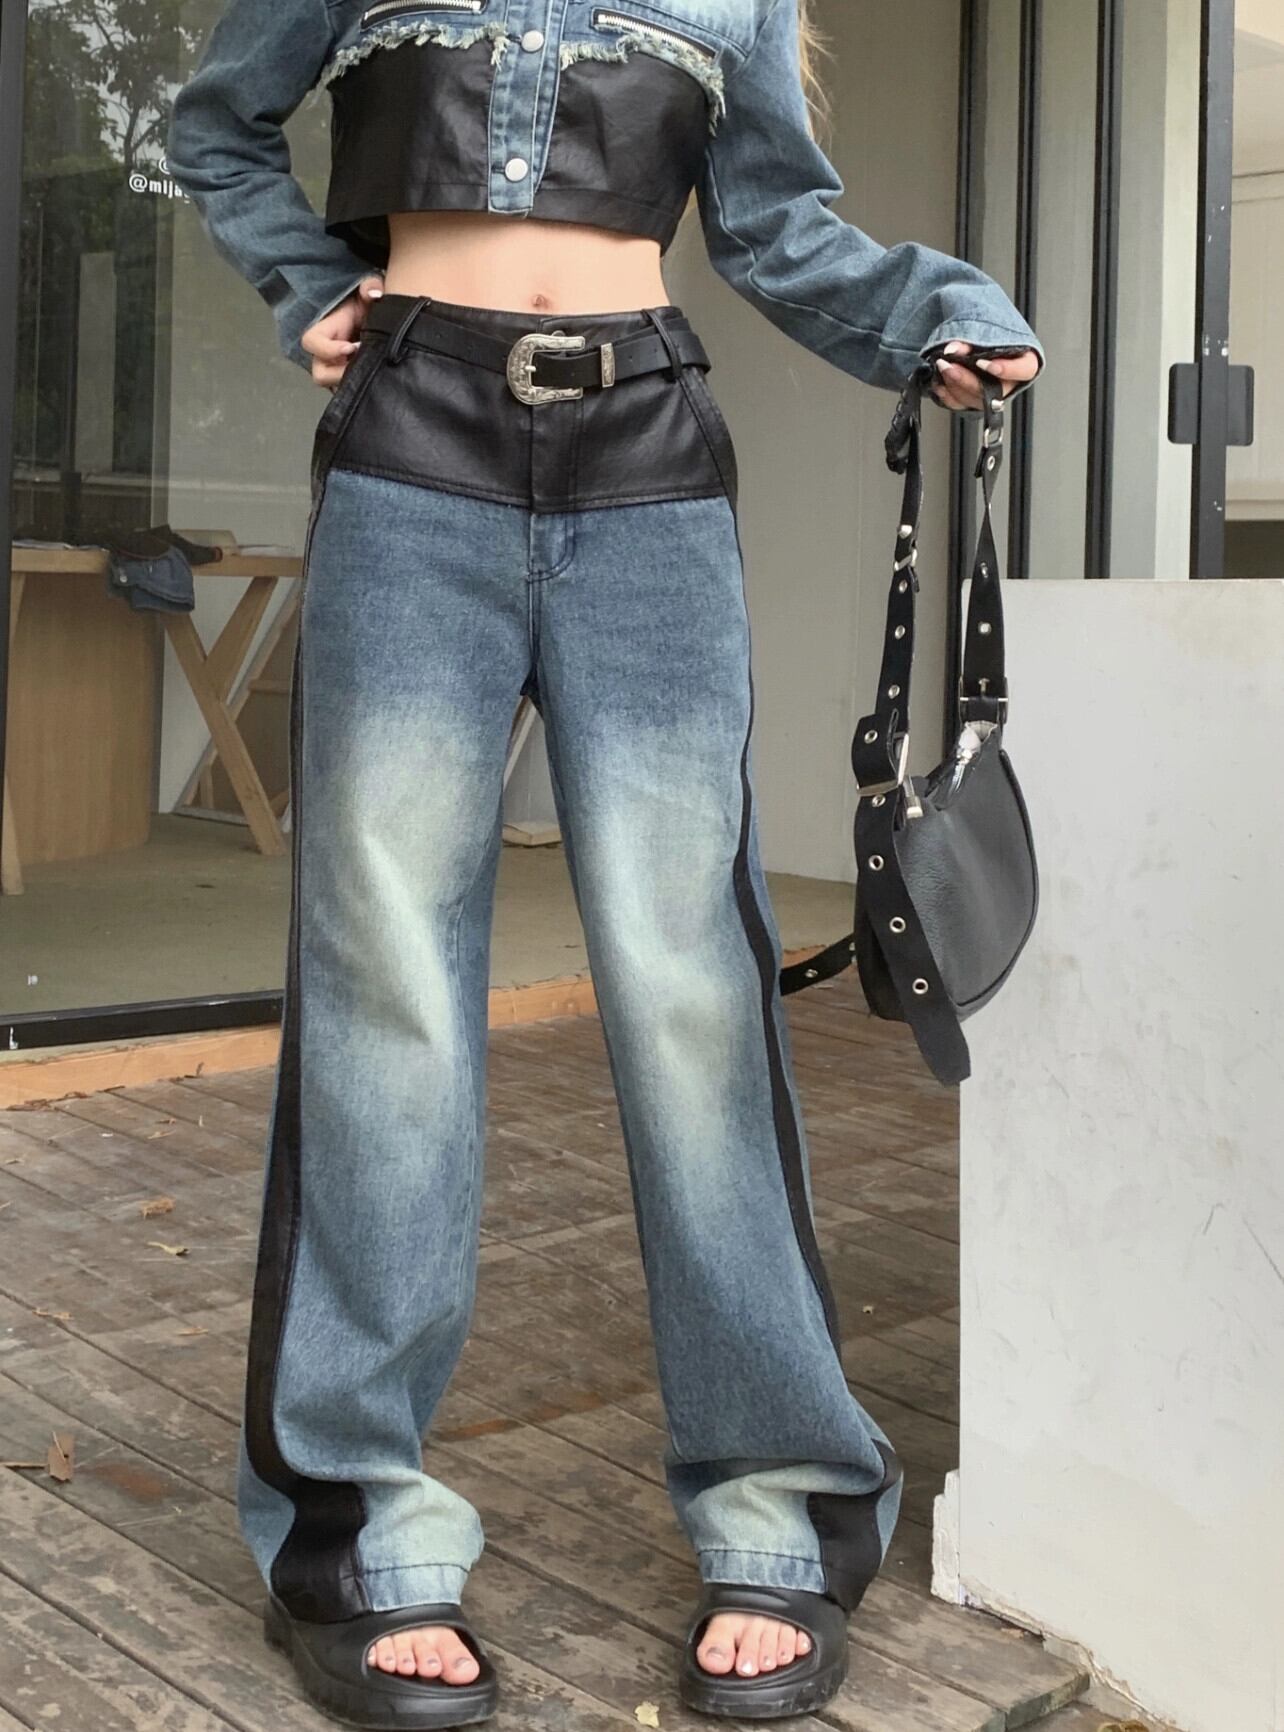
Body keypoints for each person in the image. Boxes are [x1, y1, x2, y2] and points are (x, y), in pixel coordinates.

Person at [167, 2, 1043, 1725]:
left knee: (691, 988)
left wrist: (934, 314)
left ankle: (780, 1504)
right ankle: (360, 1533)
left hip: (647, 457)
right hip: (412, 446)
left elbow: (775, 227)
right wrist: (308, 282)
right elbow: (214, 125)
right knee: (386, 989)